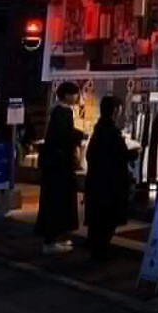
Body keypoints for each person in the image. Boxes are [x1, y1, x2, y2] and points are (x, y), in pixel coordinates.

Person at [84, 95, 138, 260]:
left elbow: (90, 155)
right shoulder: (111, 132)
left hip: (97, 183)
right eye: (119, 109)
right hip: (110, 185)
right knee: (107, 220)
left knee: (98, 220)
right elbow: (120, 155)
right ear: (115, 110)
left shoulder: (99, 130)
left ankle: (96, 251)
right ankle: (100, 252)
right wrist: (133, 153)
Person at [35, 82, 85, 254]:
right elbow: (64, 135)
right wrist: (80, 136)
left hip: (55, 166)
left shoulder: (58, 112)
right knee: (56, 202)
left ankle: (53, 238)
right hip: (59, 167)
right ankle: (50, 241)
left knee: (56, 201)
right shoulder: (62, 112)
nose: (77, 97)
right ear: (67, 95)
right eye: (75, 93)